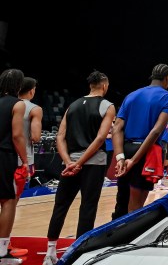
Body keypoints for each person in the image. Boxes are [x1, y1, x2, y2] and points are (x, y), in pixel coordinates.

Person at [42, 71, 116, 265]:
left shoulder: (72, 105)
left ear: (90, 85)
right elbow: (101, 138)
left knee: (60, 205)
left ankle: (50, 252)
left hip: (70, 163)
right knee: (88, 207)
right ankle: (78, 252)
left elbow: (60, 136)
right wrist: (80, 162)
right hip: (92, 163)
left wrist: (68, 162)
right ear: (104, 86)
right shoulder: (107, 106)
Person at [113, 63, 168, 216]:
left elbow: (117, 128)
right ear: (167, 79)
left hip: (126, 149)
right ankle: (131, 239)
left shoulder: (131, 95)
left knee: (121, 201)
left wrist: (120, 157)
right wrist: (134, 160)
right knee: (135, 207)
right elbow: (155, 131)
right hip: (145, 152)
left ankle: (114, 237)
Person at [0, 69, 28, 265]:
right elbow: (17, 135)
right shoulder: (18, 104)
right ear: (19, 85)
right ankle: (2, 251)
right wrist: (25, 160)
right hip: (5, 155)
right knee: (8, 201)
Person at [18, 78, 41, 186]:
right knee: (19, 196)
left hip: (4, 156)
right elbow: (35, 137)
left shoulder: (6, 104)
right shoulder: (35, 109)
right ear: (31, 91)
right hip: (23, 159)